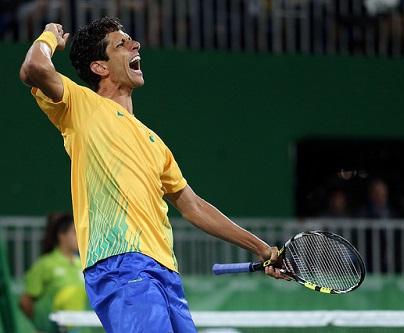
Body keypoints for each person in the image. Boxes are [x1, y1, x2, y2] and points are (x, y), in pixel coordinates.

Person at [19, 17, 285, 333]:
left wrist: (261, 248)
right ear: (100, 68)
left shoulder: (155, 143)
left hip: (165, 272)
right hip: (118, 264)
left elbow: (193, 207)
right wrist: (49, 36)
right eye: (121, 44)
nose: (136, 44)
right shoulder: (80, 104)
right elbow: (33, 68)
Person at [19, 213, 88, 333]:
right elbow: (25, 302)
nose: (80, 237)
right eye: (74, 232)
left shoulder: (82, 265)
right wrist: (41, 326)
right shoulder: (45, 264)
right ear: (61, 235)